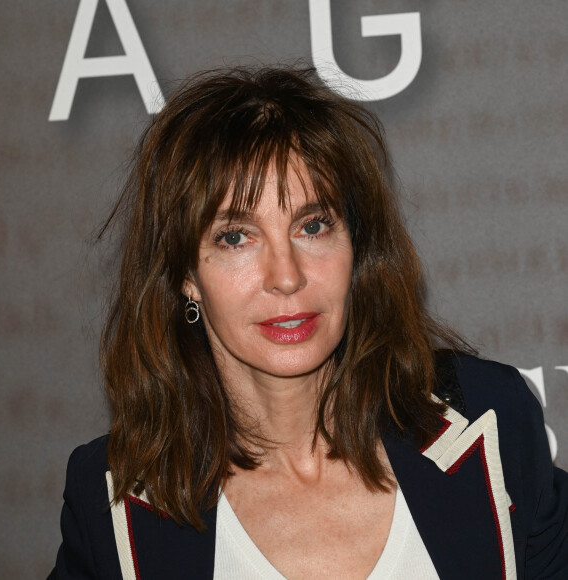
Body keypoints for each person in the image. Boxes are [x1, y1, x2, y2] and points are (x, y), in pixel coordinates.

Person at [49, 66, 568, 580]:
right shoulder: (111, 501)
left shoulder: (493, 421)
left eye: (312, 226)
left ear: (356, 249)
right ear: (186, 274)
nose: (287, 277)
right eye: (236, 237)